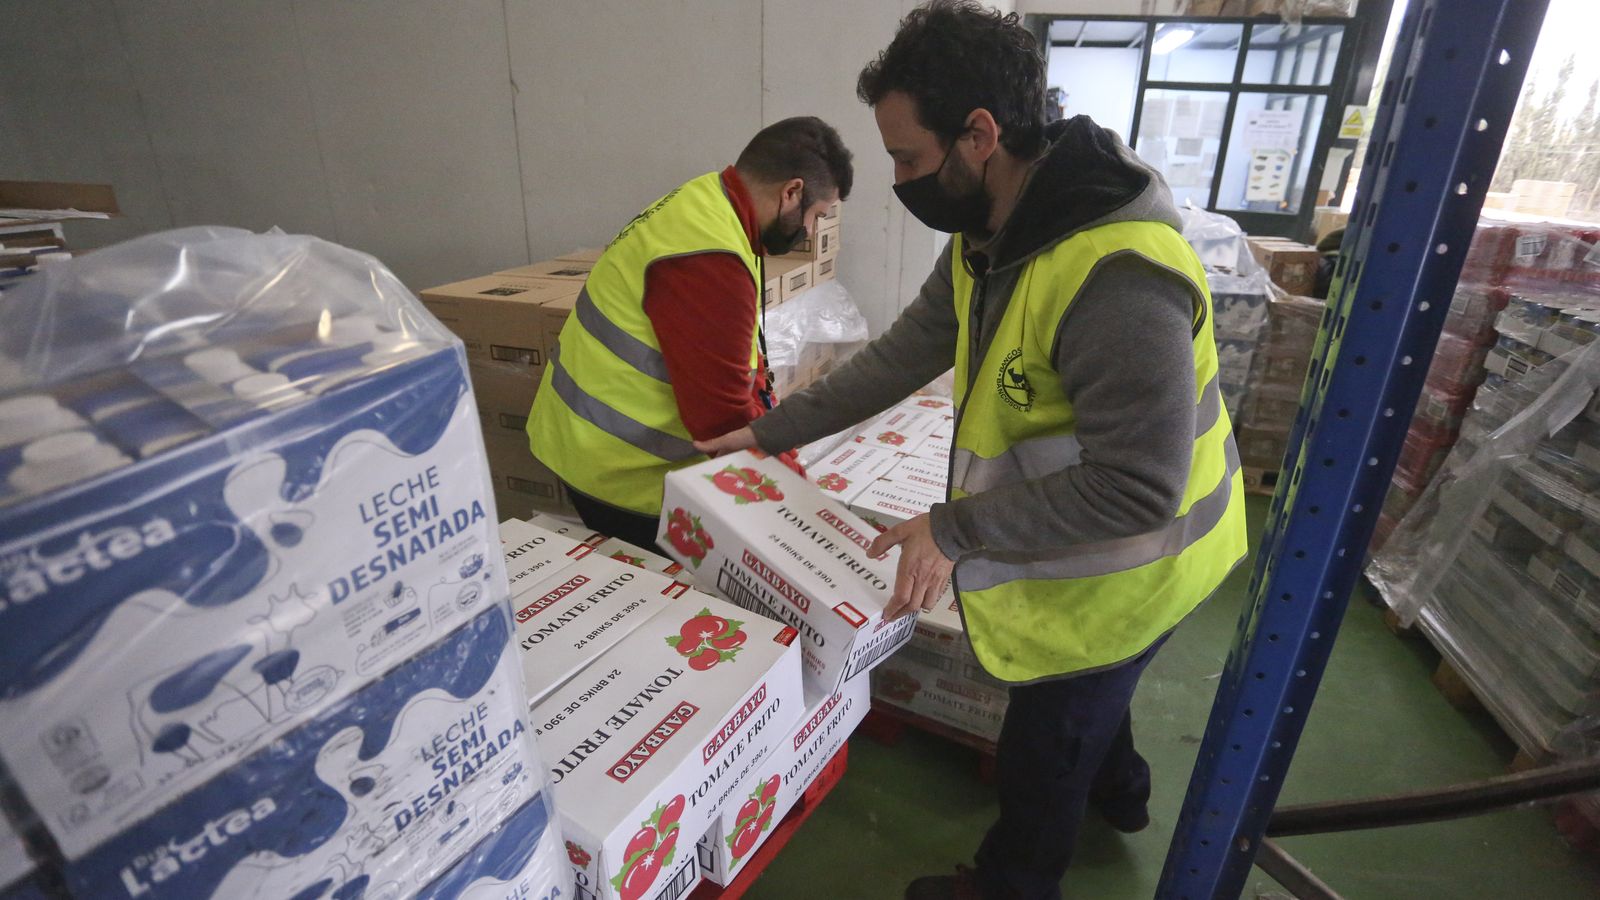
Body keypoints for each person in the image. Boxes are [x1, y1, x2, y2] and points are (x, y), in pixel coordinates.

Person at [695, 4, 1248, 898]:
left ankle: (1011, 885)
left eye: (909, 158)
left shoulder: (1117, 274)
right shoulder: (993, 235)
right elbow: (908, 350)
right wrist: (766, 431)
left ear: (980, 134)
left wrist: (953, 529)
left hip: (1135, 566)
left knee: (1044, 743)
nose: (900, 180)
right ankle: (1126, 795)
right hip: (1099, 554)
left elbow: (1140, 490)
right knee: (1095, 711)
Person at [525, 117, 853, 550]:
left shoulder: (708, 202)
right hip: (622, 473)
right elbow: (723, 427)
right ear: (791, 192)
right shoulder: (710, 261)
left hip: (581, 439)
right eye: (815, 215)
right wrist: (810, 510)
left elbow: (737, 367)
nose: (810, 231)